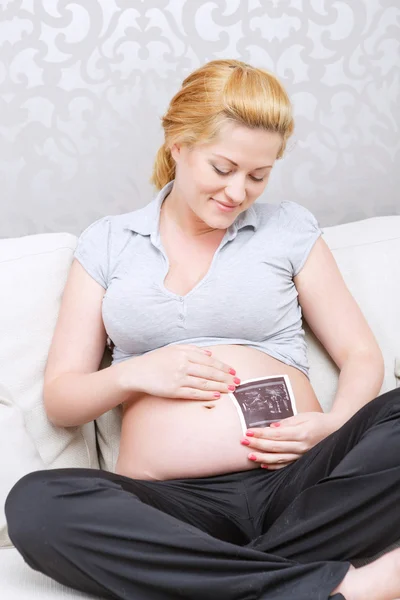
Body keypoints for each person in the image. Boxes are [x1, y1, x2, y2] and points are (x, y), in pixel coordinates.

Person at [5, 59, 400, 600]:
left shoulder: (289, 229)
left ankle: (227, 581)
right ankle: (327, 586)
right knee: (36, 504)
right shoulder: (109, 243)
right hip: (173, 508)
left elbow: (360, 354)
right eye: (223, 168)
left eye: (257, 176)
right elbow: (62, 398)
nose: (238, 192)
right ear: (178, 146)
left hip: (301, 488)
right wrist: (140, 373)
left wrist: (331, 425)